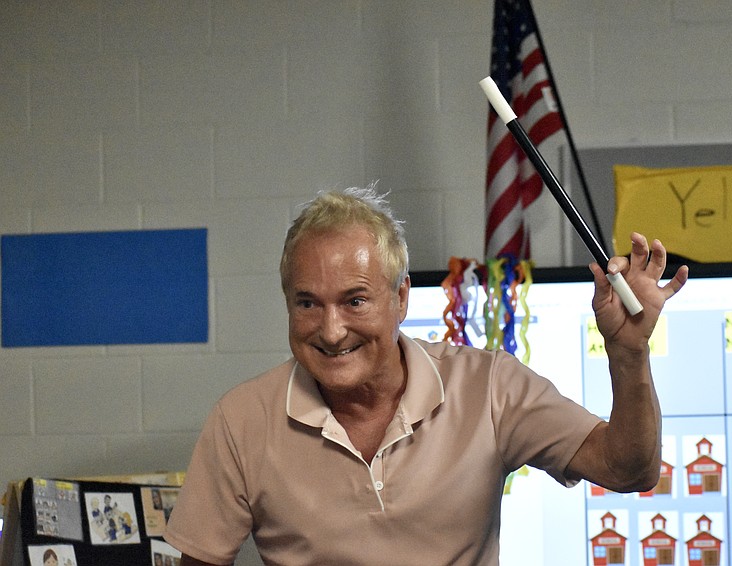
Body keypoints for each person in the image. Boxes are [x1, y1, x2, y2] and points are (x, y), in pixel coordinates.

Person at [164, 184, 688, 566]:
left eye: (355, 300)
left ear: (400, 297)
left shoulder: (489, 388)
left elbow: (629, 471)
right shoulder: (241, 420)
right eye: (307, 303)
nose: (330, 329)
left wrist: (628, 354)